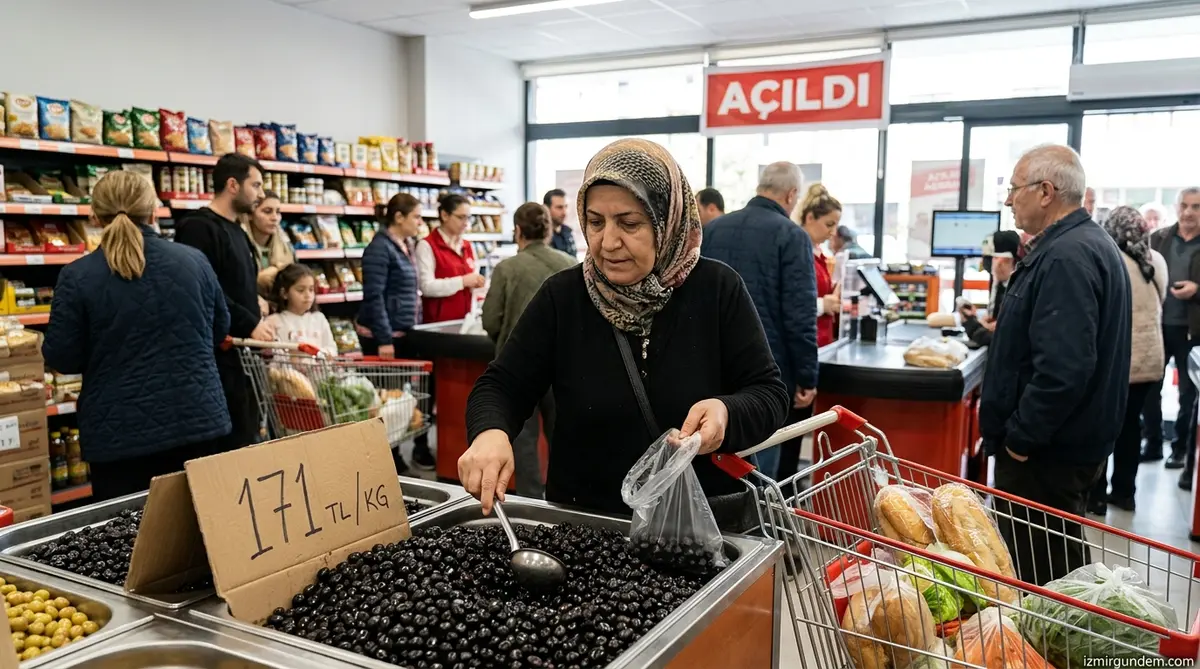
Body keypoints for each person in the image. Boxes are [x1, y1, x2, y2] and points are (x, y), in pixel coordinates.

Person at [460, 138, 789, 529]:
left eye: (629, 223)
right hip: (588, 527)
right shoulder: (563, 297)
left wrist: (726, 411)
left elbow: (768, 394)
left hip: (699, 529)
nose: (608, 242)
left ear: (666, 220)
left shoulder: (717, 289)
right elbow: (502, 384)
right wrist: (490, 432)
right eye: (596, 222)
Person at [980, 144, 1131, 586]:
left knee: (1040, 579)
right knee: (1057, 568)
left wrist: (1020, 441)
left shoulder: (1067, 256)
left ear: (1045, 191)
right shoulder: (1080, 246)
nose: (1009, 200)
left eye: (1013, 189)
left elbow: (1064, 369)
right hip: (1063, 448)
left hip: (1046, 456)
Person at [43, 171, 231, 502]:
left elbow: (62, 357)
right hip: (198, 421)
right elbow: (219, 330)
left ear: (94, 215)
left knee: (127, 540)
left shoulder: (77, 276)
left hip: (119, 437)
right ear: (152, 210)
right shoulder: (194, 261)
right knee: (201, 532)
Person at [701, 161, 817, 480]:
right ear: (792, 194)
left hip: (713, 361)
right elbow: (799, 313)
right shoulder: (793, 236)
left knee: (720, 452)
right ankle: (756, 524)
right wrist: (808, 376)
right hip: (768, 368)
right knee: (764, 457)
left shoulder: (714, 229)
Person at [176, 153, 273, 452]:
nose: (259, 194)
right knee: (227, 445)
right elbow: (205, 291)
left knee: (246, 436)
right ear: (233, 184)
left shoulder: (238, 231)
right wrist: (250, 322)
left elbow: (232, 281)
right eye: (255, 185)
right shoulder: (198, 228)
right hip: (219, 356)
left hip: (244, 357)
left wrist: (255, 300)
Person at [481, 202, 576, 498]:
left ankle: (530, 502)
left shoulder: (507, 268)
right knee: (564, 437)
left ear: (518, 230)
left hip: (519, 368)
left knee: (522, 442)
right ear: (548, 229)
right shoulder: (569, 263)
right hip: (566, 365)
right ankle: (567, 503)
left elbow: (490, 319)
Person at [1088, 207, 1166, 515]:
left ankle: (1096, 495)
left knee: (1104, 426)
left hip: (1118, 359)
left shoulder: (1111, 261)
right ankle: (1125, 492)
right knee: (1132, 426)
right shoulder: (1156, 260)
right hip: (1151, 359)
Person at [357, 192, 429, 473]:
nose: (419, 222)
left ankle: (394, 453)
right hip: (381, 336)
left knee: (397, 398)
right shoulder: (379, 248)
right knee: (384, 400)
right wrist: (384, 338)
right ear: (399, 218)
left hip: (401, 332)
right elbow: (373, 296)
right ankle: (386, 457)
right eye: (416, 217)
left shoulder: (405, 244)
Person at [1146, 187, 1200, 487]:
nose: (1189, 212)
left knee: (1188, 395)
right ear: (1176, 207)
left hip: (1193, 330)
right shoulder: (1159, 239)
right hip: (1158, 324)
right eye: (1184, 205)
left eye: (1196, 207)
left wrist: (1197, 290)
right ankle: (1152, 443)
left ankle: (1180, 450)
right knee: (1150, 387)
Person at [416, 193, 486, 324]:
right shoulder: (427, 246)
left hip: (466, 322)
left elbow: (471, 283)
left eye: (468, 218)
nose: (466, 223)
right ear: (444, 215)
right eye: (461, 217)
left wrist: (478, 284)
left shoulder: (467, 246)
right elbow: (426, 287)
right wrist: (462, 282)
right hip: (438, 326)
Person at [794, 183, 842, 348]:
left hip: (822, 343)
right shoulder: (794, 253)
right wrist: (822, 305)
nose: (834, 232)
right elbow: (789, 301)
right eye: (829, 225)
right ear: (809, 218)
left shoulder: (819, 256)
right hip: (805, 343)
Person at [958, 230, 1020, 348]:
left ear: (1002, 261)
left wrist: (971, 323)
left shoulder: (1016, 293)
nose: (984, 263)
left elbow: (998, 338)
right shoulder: (1001, 285)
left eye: (990, 258)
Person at [265, 264, 338, 357]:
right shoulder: (274, 322)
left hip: (319, 370)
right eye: (300, 290)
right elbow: (271, 355)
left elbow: (332, 348)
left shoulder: (319, 319)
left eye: (311, 290)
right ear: (284, 293)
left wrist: (323, 353)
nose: (308, 295)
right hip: (286, 371)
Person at [241, 190, 295, 297]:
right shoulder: (239, 244)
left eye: (278, 212)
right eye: (267, 211)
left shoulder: (286, 245)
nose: (275, 218)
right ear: (250, 215)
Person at [544, 189, 577, 257]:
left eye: (566, 206)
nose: (564, 212)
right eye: (559, 207)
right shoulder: (542, 236)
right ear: (546, 208)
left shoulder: (568, 232)